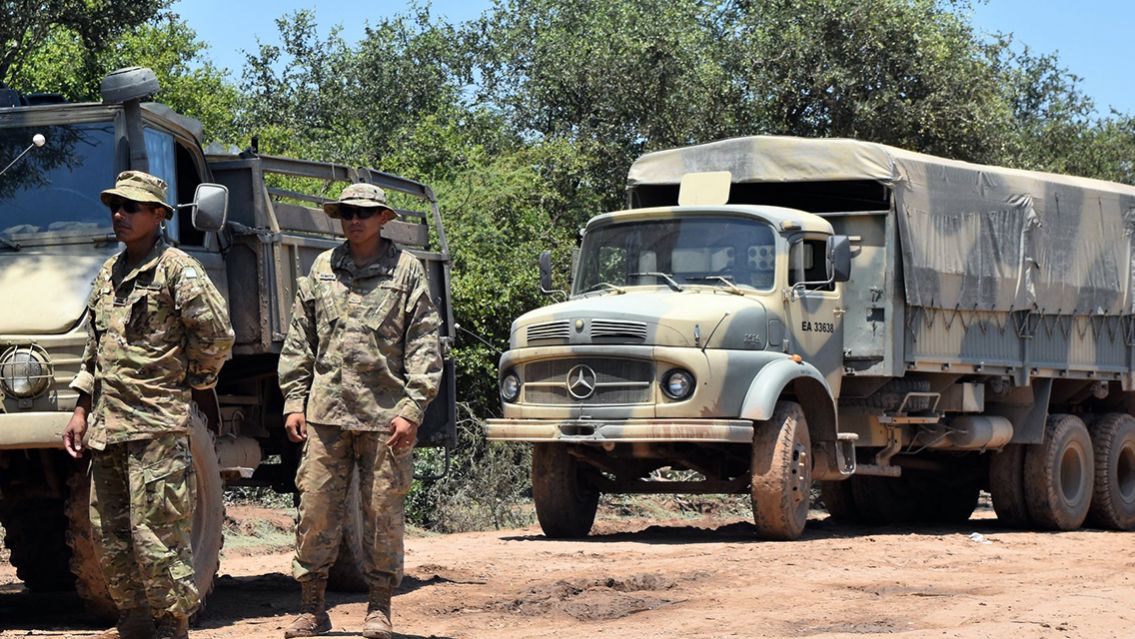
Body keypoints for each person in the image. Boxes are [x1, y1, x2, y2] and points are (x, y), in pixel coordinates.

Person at [63, 171, 235, 639]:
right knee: (112, 541)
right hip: (108, 431)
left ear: (159, 215)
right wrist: (81, 409)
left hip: (157, 430)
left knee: (158, 538)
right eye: (115, 206)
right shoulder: (109, 273)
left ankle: (170, 625)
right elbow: (93, 350)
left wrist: (192, 381)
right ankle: (134, 624)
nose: (119, 214)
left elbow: (216, 335)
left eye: (131, 207)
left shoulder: (178, 270)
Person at [278, 183, 442, 639]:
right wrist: (294, 399)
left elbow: (425, 345)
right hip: (325, 414)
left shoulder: (406, 271)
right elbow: (299, 340)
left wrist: (411, 409)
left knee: (381, 515)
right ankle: (312, 608)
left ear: (383, 218)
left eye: (364, 213)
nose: (354, 220)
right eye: (347, 212)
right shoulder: (323, 267)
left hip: (383, 418)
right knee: (315, 513)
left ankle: (379, 608)